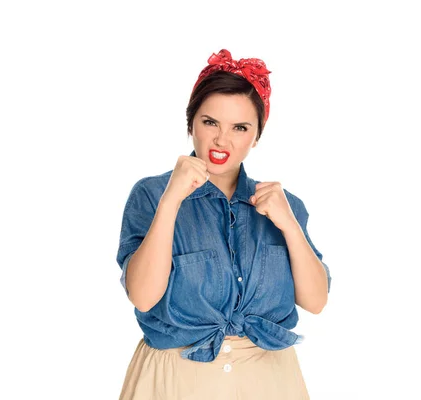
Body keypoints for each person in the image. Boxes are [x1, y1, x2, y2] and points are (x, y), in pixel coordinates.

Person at [115, 49, 332, 400]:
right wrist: (172, 201)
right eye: (210, 122)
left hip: (271, 384)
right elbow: (142, 295)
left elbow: (316, 301)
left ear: (257, 135)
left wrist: (290, 226)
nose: (221, 140)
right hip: (175, 384)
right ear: (191, 123)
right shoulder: (152, 195)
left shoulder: (284, 205)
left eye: (240, 127)